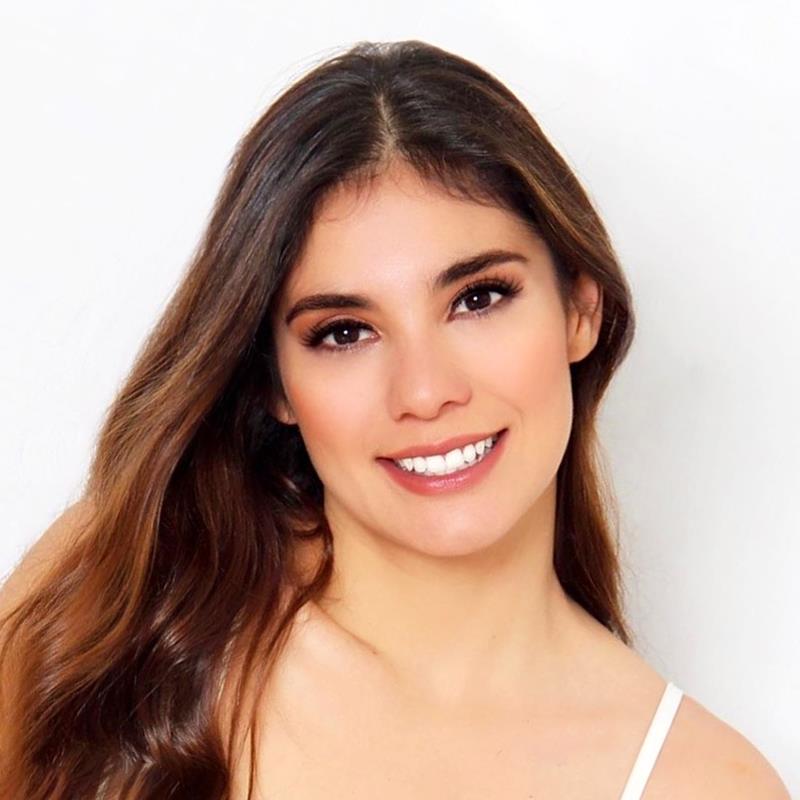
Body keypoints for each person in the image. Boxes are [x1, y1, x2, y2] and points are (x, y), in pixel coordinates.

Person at [0, 39, 789, 800]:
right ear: (274, 381)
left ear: (580, 310)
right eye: (345, 332)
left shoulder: (701, 784)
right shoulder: (113, 609)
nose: (425, 391)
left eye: (478, 298)